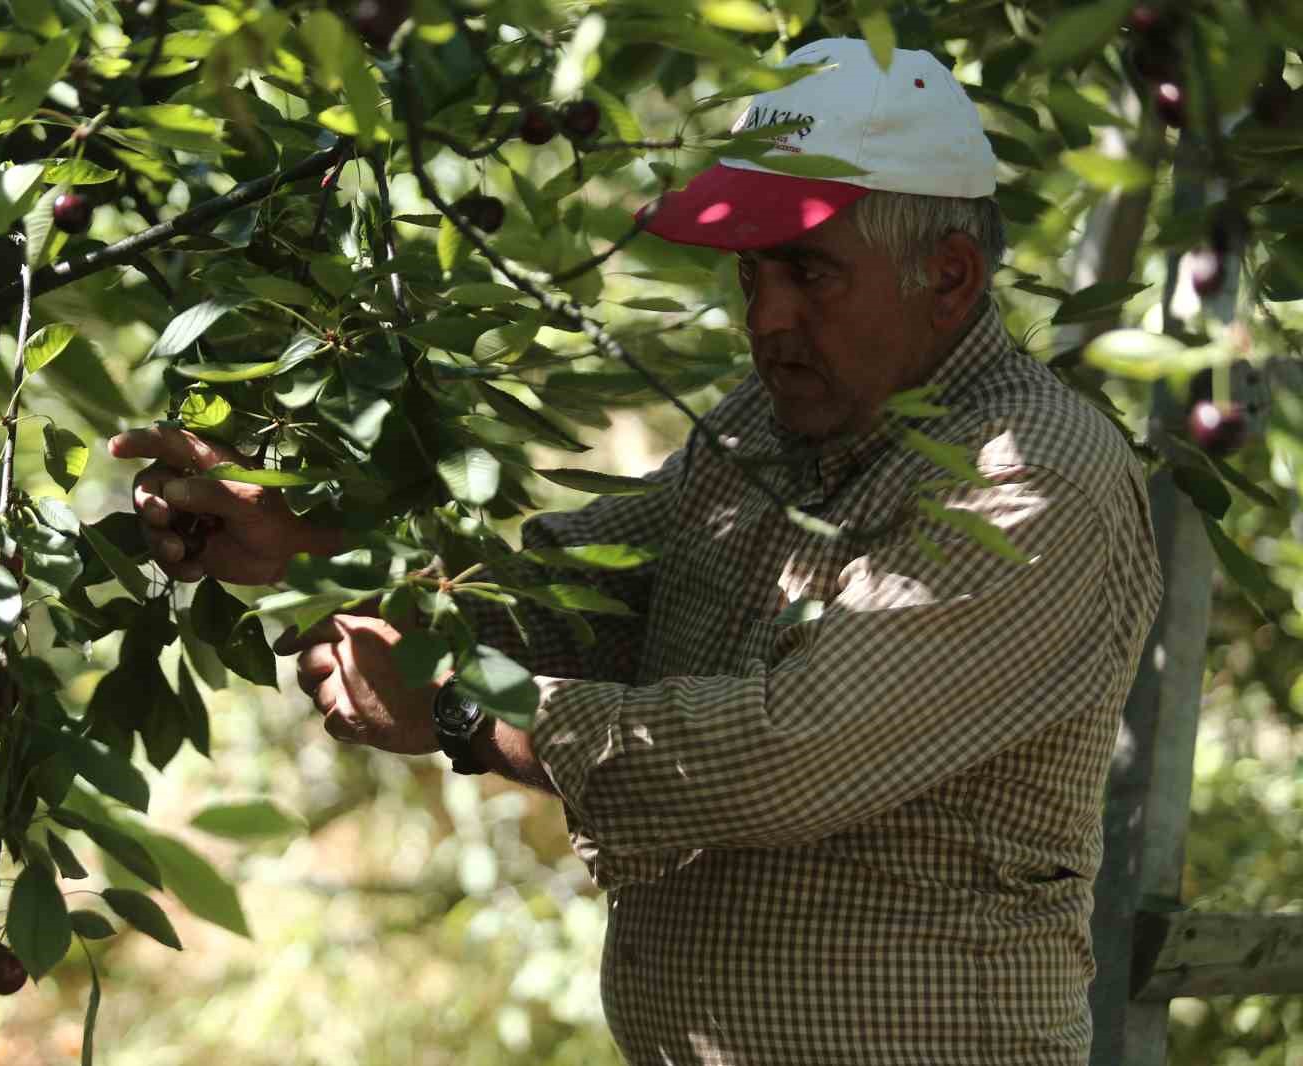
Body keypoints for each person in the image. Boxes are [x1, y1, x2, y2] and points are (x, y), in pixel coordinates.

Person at [109, 37, 1162, 1066]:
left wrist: (459, 712)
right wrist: (312, 545)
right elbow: (567, 597)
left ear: (949, 275)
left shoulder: (1033, 474)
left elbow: (783, 757)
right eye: (751, 276)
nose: (767, 317)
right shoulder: (766, 426)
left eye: (808, 271)